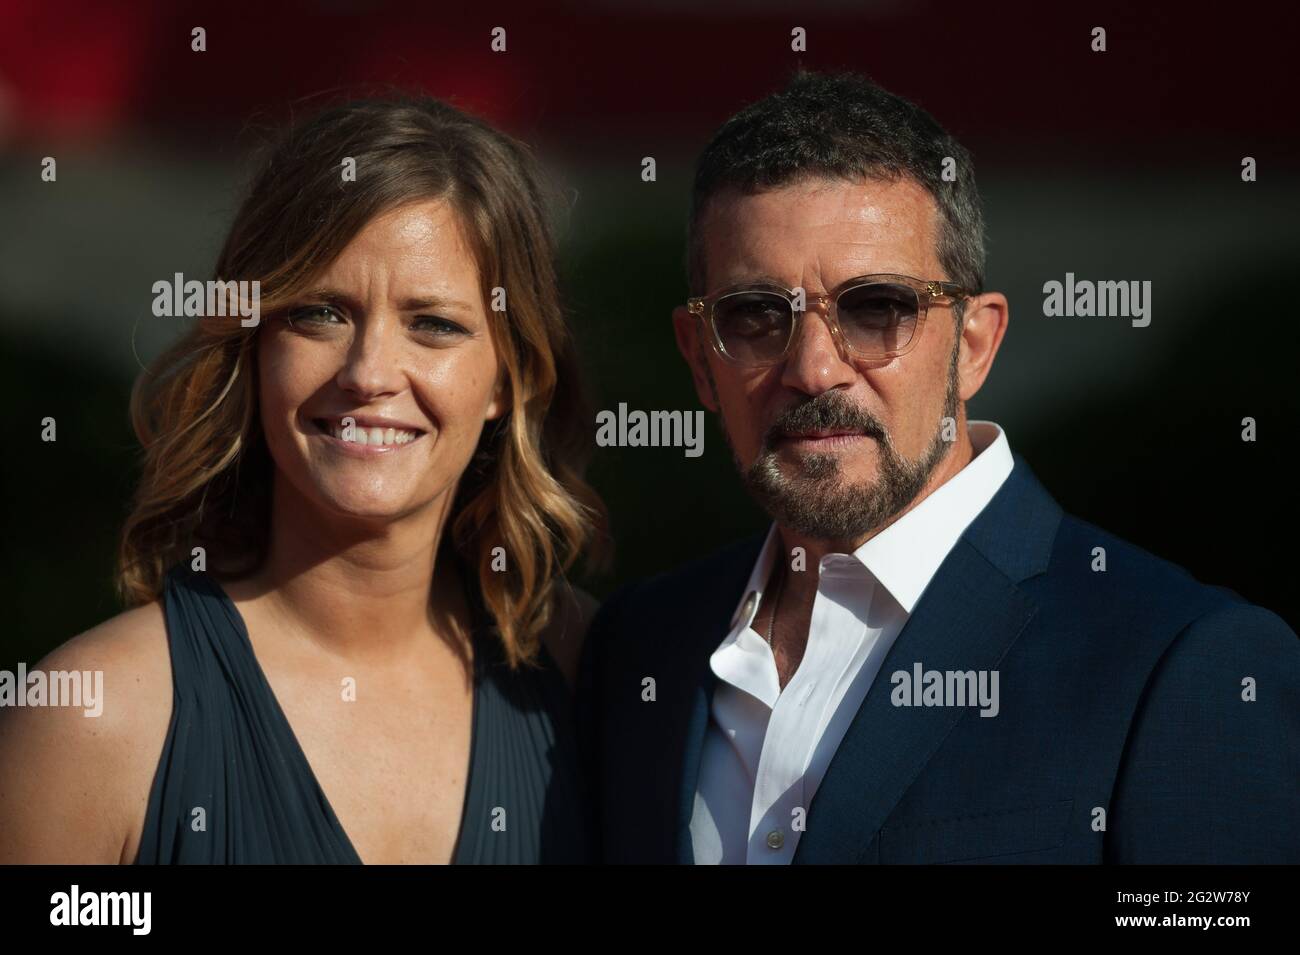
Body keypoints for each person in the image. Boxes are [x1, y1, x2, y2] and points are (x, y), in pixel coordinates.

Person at [578, 70, 1300, 864]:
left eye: (877, 306)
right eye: (754, 316)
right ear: (699, 360)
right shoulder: (638, 648)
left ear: (975, 344)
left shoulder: (1185, 665)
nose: (815, 369)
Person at [0, 96, 605, 864]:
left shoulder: (587, 671)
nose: (369, 373)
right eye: (320, 312)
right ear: (253, 347)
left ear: (506, 379)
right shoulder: (97, 718)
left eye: (435, 324)